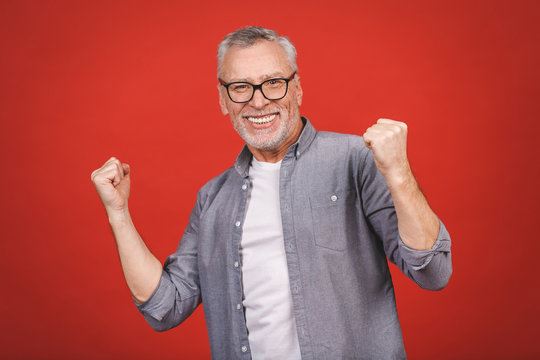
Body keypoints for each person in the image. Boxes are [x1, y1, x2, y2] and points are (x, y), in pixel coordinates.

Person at [91, 26, 452, 359]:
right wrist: (118, 215)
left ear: (297, 88)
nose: (259, 101)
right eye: (240, 87)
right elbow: (164, 307)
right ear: (223, 99)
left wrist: (400, 174)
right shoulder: (212, 199)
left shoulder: (357, 160)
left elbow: (433, 271)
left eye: (273, 83)